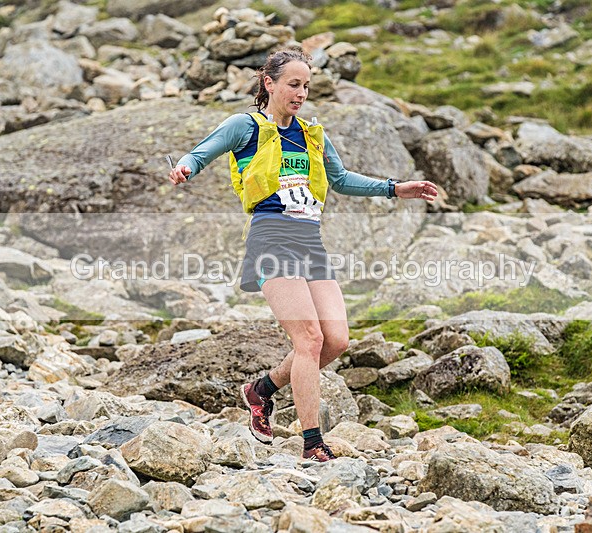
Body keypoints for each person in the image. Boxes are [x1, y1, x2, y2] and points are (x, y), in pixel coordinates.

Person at [168, 47, 438, 462]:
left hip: (310, 241)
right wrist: (186, 167)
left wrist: (394, 188)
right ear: (269, 83)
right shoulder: (245, 126)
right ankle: (313, 444)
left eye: (307, 86)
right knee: (309, 339)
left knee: (336, 340)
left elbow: (341, 179)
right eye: (294, 84)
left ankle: (261, 390)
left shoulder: (312, 134)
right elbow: (203, 151)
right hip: (271, 237)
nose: (301, 93)